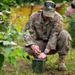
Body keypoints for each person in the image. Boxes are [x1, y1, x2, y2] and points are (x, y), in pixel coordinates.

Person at [24, 1, 72, 71]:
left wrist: (46, 52)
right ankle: (39, 58)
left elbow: (54, 35)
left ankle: (61, 62)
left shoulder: (58, 18)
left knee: (65, 34)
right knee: (28, 48)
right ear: (42, 9)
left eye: (50, 14)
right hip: (40, 43)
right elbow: (27, 31)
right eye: (46, 13)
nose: (48, 17)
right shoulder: (34, 16)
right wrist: (32, 45)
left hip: (54, 45)